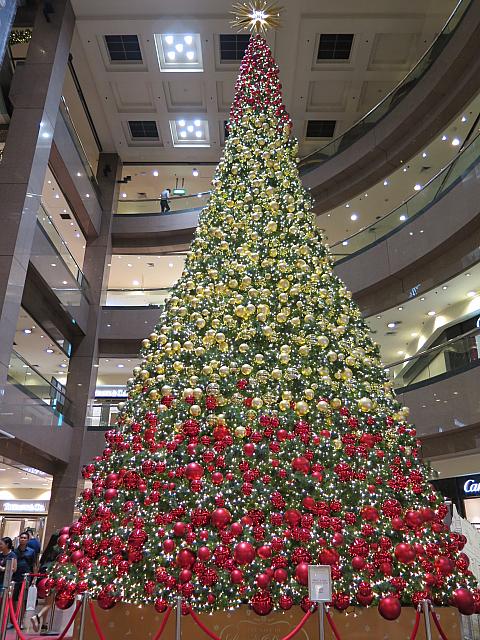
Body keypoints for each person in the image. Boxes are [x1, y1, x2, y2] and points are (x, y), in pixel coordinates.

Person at [30, 533, 60, 633]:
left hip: (42, 579)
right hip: (51, 577)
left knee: (47, 602)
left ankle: (43, 626)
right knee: (50, 603)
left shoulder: (47, 552)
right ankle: (37, 617)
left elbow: (40, 565)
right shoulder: (59, 552)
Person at [12, 532, 35, 612]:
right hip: (15, 576)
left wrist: (34, 578)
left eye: (25, 538)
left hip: (26, 576)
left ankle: (22, 616)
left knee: (24, 597)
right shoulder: (14, 551)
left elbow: (33, 565)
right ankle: (14, 616)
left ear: (28, 540)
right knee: (14, 597)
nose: (22, 539)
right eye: (21, 537)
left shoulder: (31, 551)